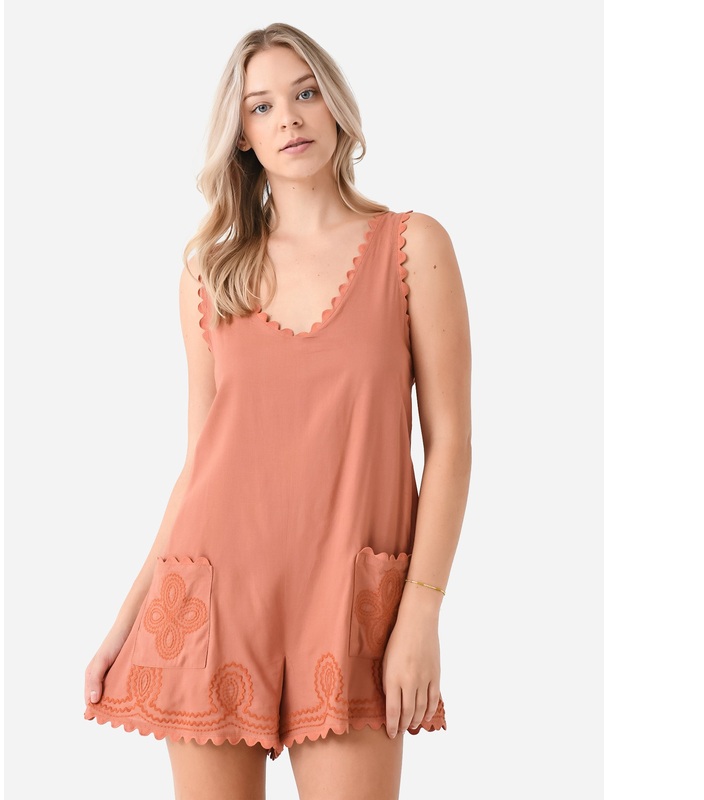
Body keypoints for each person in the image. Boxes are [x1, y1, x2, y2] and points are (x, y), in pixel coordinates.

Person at [83, 21, 471, 800]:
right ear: (242, 137)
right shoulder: (210, 274)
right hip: (213, 603)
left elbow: (452, 443)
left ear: (335, 106)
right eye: (261, 106)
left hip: (348, 608)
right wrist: (127, 617)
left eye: (305, 93)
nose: (288, 118)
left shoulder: (411, 246)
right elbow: (200, 463)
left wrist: (422, 613)